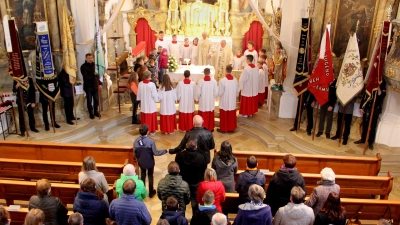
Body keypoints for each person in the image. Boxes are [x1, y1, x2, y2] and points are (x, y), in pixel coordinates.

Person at [175, 138, 207, 214]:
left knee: (182, 200)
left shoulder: (179, 155)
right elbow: (204, 170)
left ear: (186, 145)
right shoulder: (201, 157)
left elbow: (177, 168)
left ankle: (181, 218)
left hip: (183, 182)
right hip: (196, 182)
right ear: (196, 147)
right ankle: (194, 218)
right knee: (194, 201)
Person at [134, 124, 167, 197]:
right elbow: (156, 153)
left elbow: (135, 152)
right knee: (150, 176)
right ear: (148, 132)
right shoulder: (150, 142)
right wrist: (165, 151)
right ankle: (151, 192)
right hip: (150, 162)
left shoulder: (136, 141)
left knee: (142, 175)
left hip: (141, 162)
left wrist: (138, 158)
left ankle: (142, 191)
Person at [355, 79, 387, 150]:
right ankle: (363, 139)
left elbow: (381, 97)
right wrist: (361, 107)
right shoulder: (372, 79)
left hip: (375, 110)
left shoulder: (382, 83)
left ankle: (370, 142)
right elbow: (365, 96)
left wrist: (378, 88)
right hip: (367, 108)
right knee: (365, 125)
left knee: (372, 127)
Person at [217, 65, 239, 133]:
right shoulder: (235, 80)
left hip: (225, 100)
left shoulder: (222, 80)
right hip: (232, 100)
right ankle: (231, 128)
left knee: (224, 114)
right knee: (231, 114)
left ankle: (224, 129)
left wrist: (217, 96)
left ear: (225, 70)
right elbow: (237, 90)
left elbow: (220, 92)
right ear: (231, 71)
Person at [80, 53, 102, 119]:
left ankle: (95, 111)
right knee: (89, 100)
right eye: (89, 58)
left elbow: (97, 76)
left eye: (91, 58)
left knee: (96, 100)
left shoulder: (95, 66)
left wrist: (100, 83)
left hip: (95, 85)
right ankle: (91, 113)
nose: (90, 59)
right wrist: (93, 74)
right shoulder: (83, 67)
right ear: (86, 59)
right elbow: (86, 77)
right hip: (88, 86)